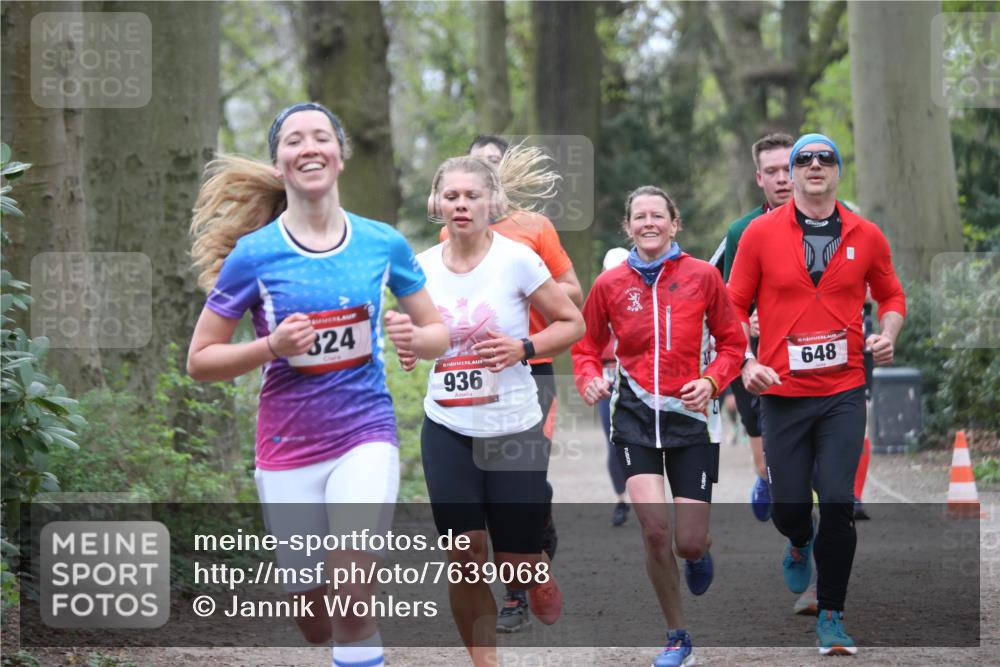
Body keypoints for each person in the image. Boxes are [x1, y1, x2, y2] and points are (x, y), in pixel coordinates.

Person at [187, 102, 449, 667]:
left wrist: (413, 338)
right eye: (294, 140)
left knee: (353, 597)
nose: (309, 147)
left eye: (321, 137)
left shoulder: (382, 243)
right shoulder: (254, 255)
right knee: (315, 621)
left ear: (340, 154)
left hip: (365, 434)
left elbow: (438, 334)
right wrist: (270, 348)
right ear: (280, 163)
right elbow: (200, 359)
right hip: (286, 449)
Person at [728, 133, 906, 656]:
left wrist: (888, 334)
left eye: (824, 159)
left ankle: (831, 614)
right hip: (781, 390)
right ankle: (798, 539)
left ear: (837, 171)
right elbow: (732, 307)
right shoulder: (760, 234)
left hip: (843, 390)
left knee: (837, 498)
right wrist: (747, 361)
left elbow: (892, 294)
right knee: (788, 508)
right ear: (792, 172)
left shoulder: (866, 235)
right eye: (802, 159)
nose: (812, 166)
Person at [414, 149, 585, 667]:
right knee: (464, 557)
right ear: (437, 204)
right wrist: (410, 343)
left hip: (512, 425)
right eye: (452, 196)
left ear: (493, 202)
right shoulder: (418, 268)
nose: (461, 204)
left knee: (513, 564)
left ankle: (534, 569)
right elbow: (422, 337)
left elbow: (571, 322)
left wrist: (524, 348)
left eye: (472, 195)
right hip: (447, 423)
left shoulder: (517, 258)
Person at [572, 186, 744, 667]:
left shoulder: (704, 277)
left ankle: (697, 552)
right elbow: (586, 347)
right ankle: (677, 635)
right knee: (653, 531)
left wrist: (712, 381)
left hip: (690, 420)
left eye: (658, 216)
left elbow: (733, 344)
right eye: (639, 217)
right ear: (628, 227)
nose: (649, 223)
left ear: (674, 223)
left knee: (687, 540)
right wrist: (588, 379)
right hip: (634, 419)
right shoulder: (609, 285)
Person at [721, 132, 795, 523]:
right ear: (759, 179)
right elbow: (728, 297)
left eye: (788, 168)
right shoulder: (742, 231)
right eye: (772, 171)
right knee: (767, 463)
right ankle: (767, 480)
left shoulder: (831, 223)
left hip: (806, 356)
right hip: (754, 358)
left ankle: (805, 535)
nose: (783, 178)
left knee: (811, 464)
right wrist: (746, 318)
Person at [598, 247, 632, 526]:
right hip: (608, 379)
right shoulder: (597, 300)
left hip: (638, 379)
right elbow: (586, 346)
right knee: (613, 442)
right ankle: (621, 498)